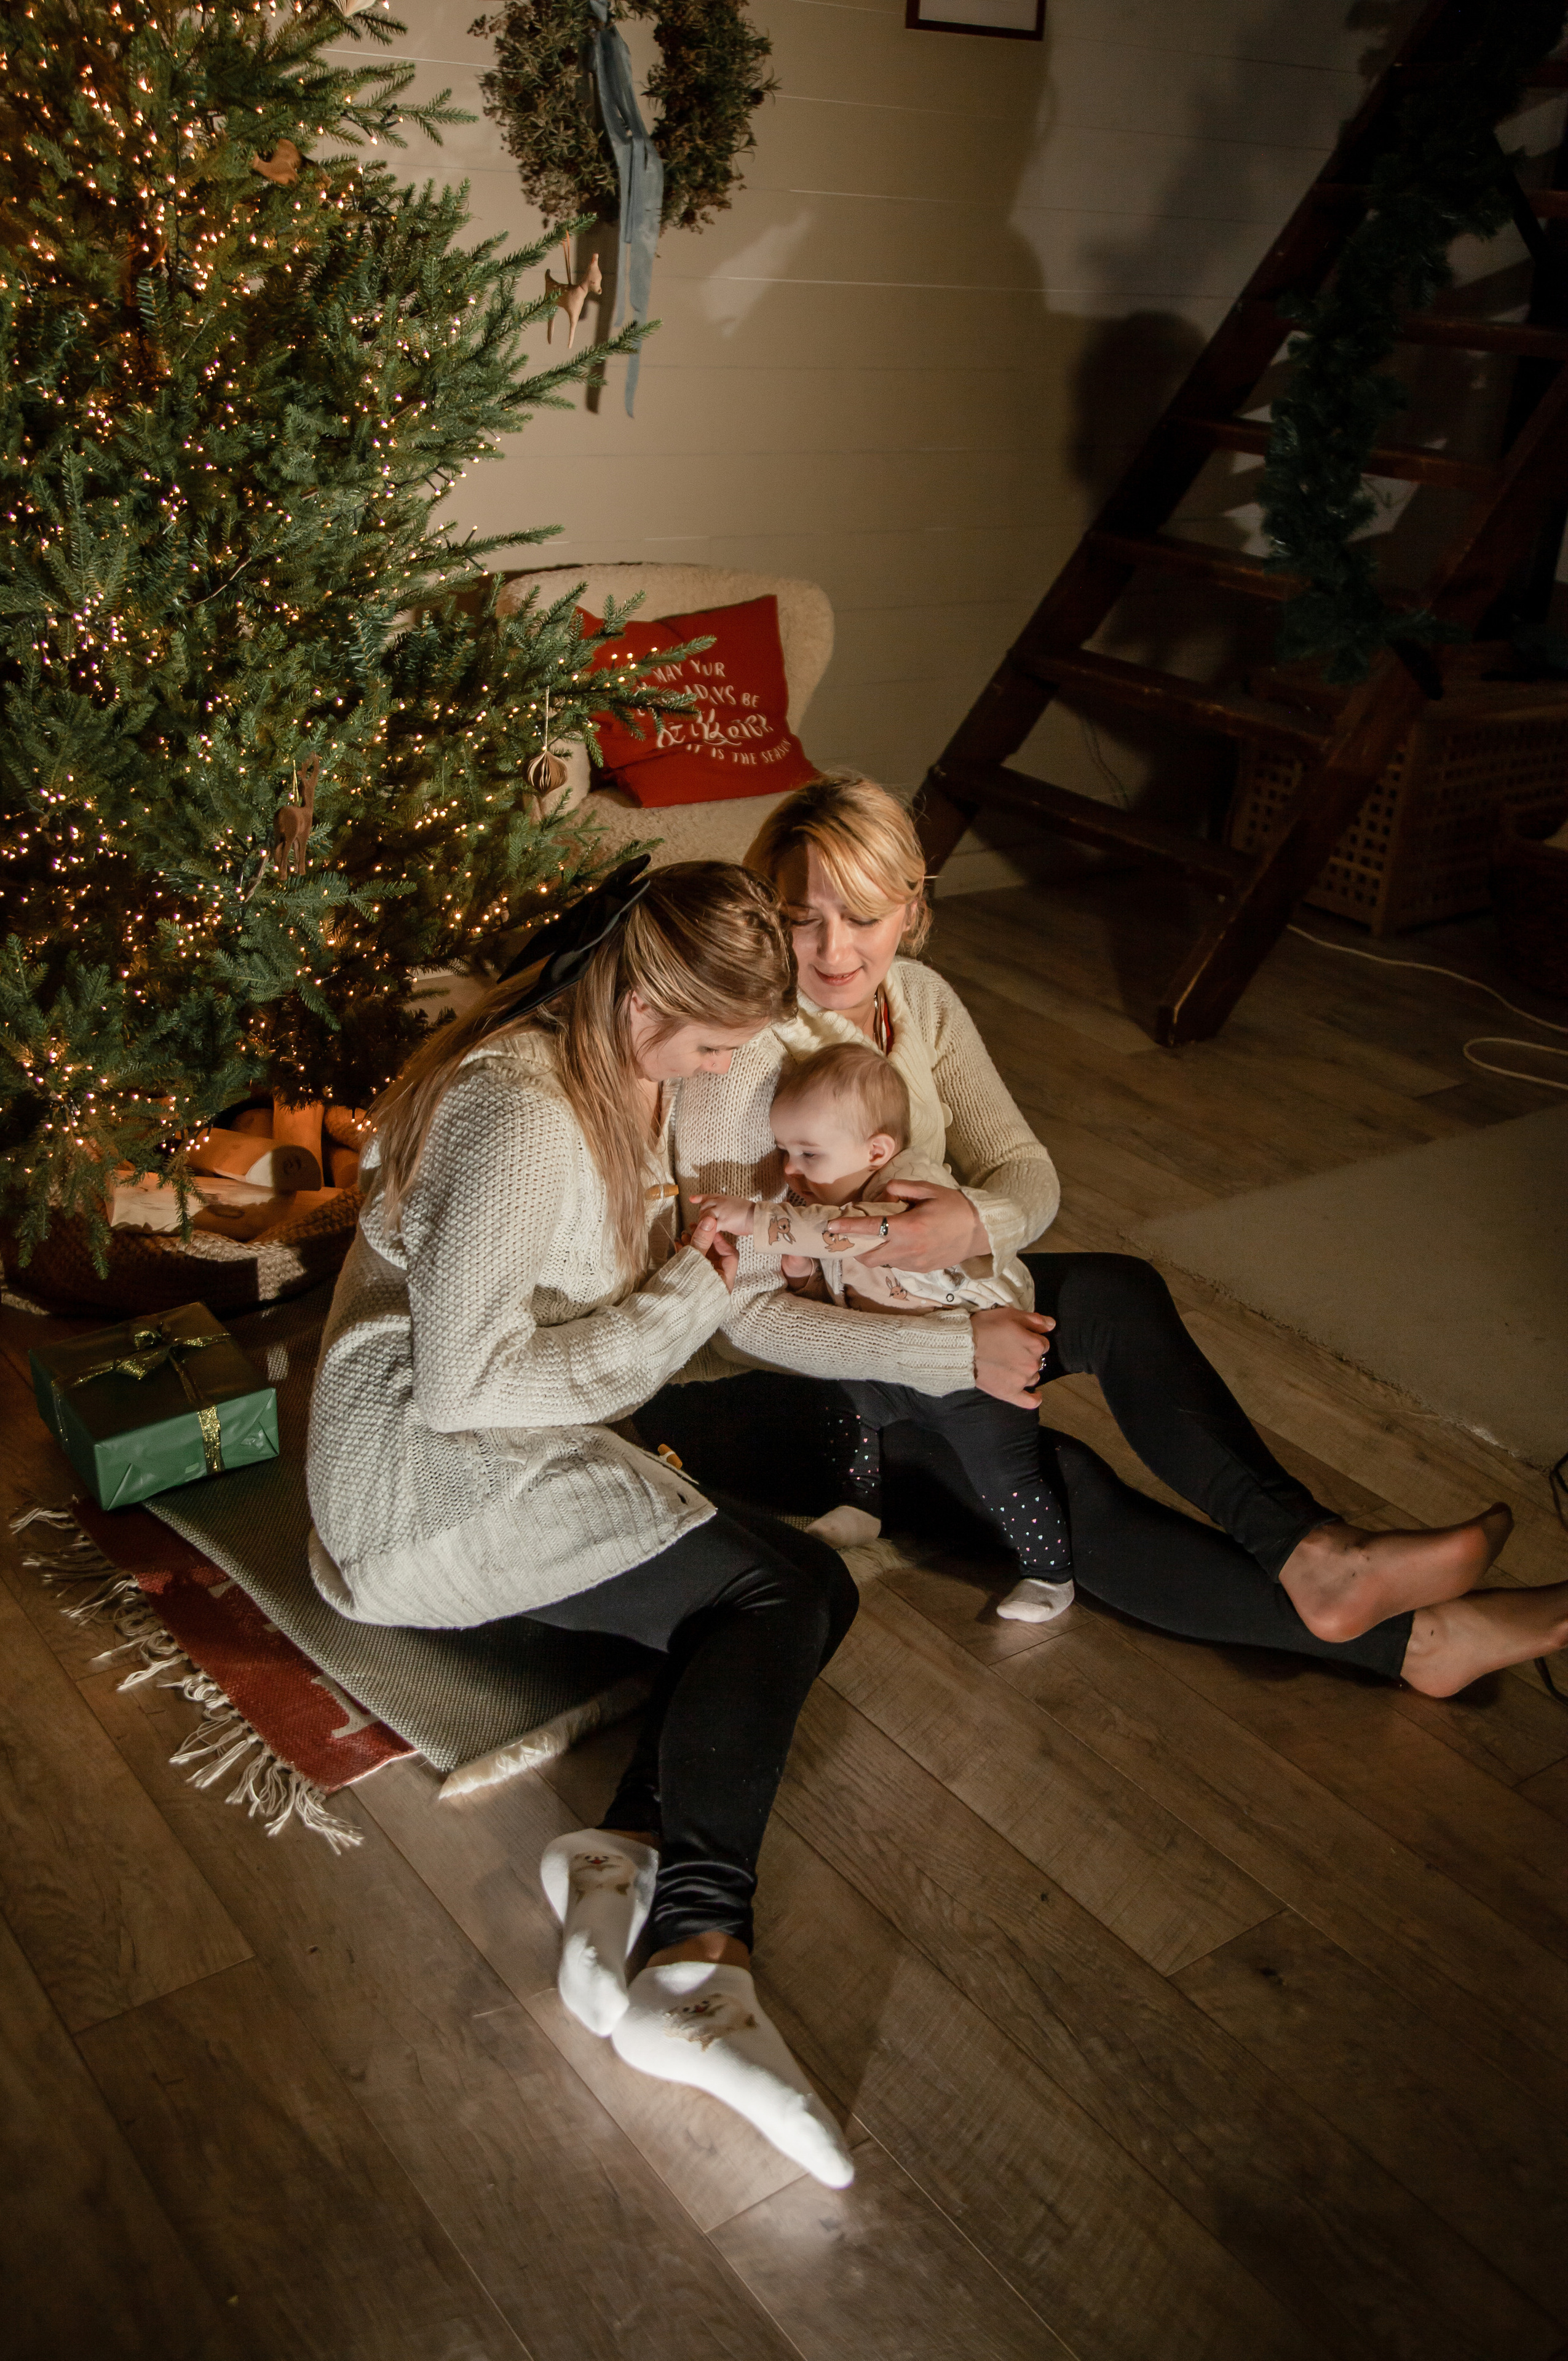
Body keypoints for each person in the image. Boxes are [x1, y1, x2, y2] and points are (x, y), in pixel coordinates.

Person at [644, 776, 1568, 1699]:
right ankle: (1415, 1644)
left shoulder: (916, 1000)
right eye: (804, 919)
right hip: (784, 1387)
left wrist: (972, 1220)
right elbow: (747, 1318)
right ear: (769, 916)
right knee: (1053, 1471)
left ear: (913, 905)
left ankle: (1313, 1552)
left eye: (863, 914)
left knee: (1119, 1295)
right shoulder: (747, 1054)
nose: (836, 949)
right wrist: (957, 1351)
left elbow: (1023, 1167)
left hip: (912, 1300)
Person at [304, 860, 857, 2188]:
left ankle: (623, 1847)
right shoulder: (522, 1115)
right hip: (418, 1480)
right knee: (773, 1598)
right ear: (650, 1003)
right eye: (712, 1047)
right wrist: (686, 1294)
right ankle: (696, 1967)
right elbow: (466, 1388)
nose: (718, 1074)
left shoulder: (617, 1065)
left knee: (814, 1585)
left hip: (503, 1432)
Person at [696, 1037, 1075, 1623]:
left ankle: (1050, 1573)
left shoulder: (905, 1191)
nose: (790, 1170)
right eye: (782, 1151)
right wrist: (803, 1287)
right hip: (891, 1361)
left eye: (808, 1154)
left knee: (1004, 1475)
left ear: (877, 1150)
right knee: (843, 1405)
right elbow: (844, 1294)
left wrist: (757, 1219)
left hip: (973, 1370)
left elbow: (845, 1232)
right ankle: (861, 1505)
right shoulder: (835, 1193)